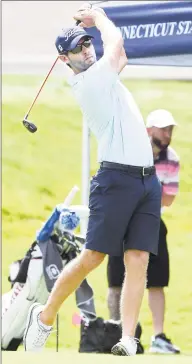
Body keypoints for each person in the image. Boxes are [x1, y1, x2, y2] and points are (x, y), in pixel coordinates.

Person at [23, 4, 161, 356]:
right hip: (115, 179)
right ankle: (45, 316)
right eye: (77, 48)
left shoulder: (105, 72)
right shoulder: (90, 82)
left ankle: (128, 338)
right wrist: (98, 17)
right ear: (65, 60)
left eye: (87, 43)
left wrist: (95, 27)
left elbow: (121, 54)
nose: (86, 49)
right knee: (93, 257)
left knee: (138, 258)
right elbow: (117, 45)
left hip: (147, 181)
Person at [107, 109, 180, 354]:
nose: (167, 133)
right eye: (163, 128)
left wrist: (145, 196)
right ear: (149, 130)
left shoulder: (172, 158)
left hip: (152, 222)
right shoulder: (132, 152)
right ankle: (119, 334)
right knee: (116, 279)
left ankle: (158, 337)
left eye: (170, 129)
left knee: (157, 281)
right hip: (123, 220)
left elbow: (168, 199)